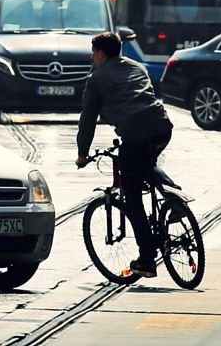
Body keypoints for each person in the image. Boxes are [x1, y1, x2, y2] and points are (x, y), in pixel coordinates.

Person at [75, 31, 174, 278]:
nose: (92, 56)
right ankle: (173, 198)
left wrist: (82, 154)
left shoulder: (96, 78)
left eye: (93, 52)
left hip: (135, 133)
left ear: (101, 53)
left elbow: (87, 119)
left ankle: (147, 260)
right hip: (162, 127)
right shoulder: (137, 67)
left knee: (132, 197)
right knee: (143, 165)